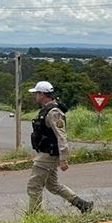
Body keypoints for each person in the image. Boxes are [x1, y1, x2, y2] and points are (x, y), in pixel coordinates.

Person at [27, 81, 93, 214]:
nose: (35, 96)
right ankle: (83, 205)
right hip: (46, 153)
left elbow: (61, 136)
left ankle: (34, 215)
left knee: (34, 185)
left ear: (43, 94)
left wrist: (63, 158)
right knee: (52, 185)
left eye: (37, 93)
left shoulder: (54, 112)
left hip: (48, 154)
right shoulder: (47, 109)